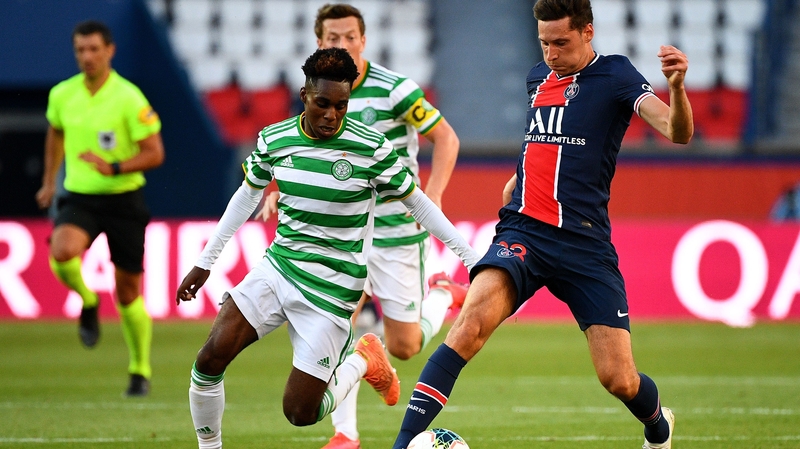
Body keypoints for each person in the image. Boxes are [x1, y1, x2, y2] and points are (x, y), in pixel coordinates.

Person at [391, 1, 694, 448]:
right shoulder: (538, 77)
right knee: (469, 327)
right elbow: (542, 135)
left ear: (587, 32)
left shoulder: (616, 76)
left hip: (584, 243)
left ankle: (657, 426)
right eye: (544, 43)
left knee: (619, 379)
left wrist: (677, 87)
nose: (550, 53)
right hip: (524, 232)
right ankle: (403, 444)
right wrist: (520, 175)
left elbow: (677, 131)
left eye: (561, 42)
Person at [176, 48, 479, 449]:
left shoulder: (371, 148)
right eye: (323, 104)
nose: (332, 115)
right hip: (279, 269)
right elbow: (245, 198)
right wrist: (205, 262)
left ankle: (362, 361)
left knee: (300, 413)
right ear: (304, 95)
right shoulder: (275, 138)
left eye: (341, 106)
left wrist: (472, 258)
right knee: (209, 359)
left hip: (332, 293)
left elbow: (419, 203)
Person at [256, 5, 468, 448]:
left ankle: (445, 294)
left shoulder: (396, 91)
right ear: (320, 42)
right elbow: (301, 148)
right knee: (339, 324)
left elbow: (446, 137)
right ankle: (345, 434)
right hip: (343, 235)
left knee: (405, 346)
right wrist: (278, 188)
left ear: (363, 40)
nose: (342, 44)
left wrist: (434, 195)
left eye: (350, 36)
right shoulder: (320, 95)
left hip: (394, 231)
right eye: (333, 37)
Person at [35, 20, 164, 397]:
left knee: (127, 294)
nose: (87, 57)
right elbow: (55, 131)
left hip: (123, 199)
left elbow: (156, 153)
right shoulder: (62, 94)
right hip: (80, 196)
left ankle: (139, 369)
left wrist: (115, 167)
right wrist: (48, 180)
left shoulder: (129, 97)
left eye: (93, 49)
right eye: (80, 50)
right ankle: (89, 301)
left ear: (110, 51)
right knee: (61, 251)